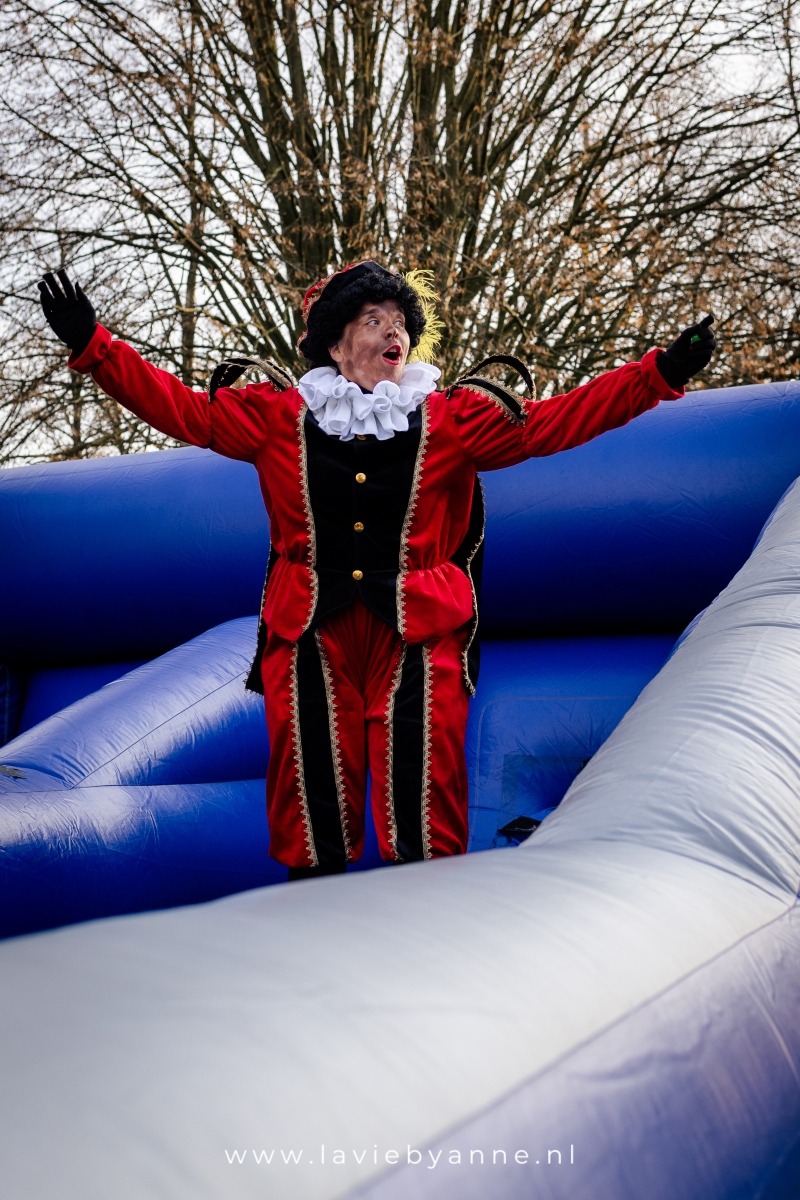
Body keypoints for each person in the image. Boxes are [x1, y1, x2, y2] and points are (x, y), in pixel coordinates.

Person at [38, 262, 715, 879]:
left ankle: (424, 940)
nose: (395, 332)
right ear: (336, 347)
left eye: (400, 322)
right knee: (310, 811)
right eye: (374, 320)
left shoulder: (451, 419)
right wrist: (95, 345)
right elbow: (181, 409)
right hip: (309, 634)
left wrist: (656, 375)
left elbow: (553, 423)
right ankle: (312, 940)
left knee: (425, 808)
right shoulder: (278, 418)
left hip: (419, 635)